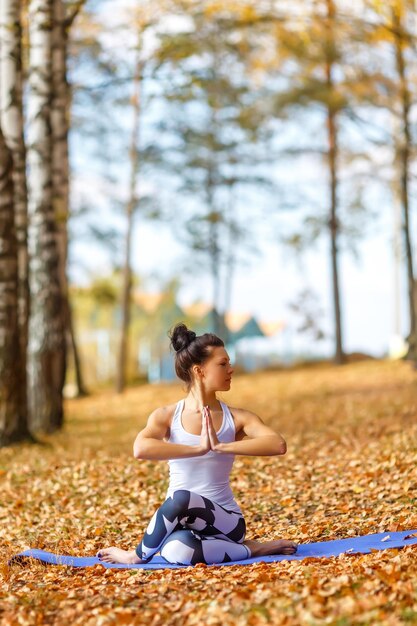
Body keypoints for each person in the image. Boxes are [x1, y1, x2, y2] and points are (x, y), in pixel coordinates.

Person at [97, 323, 297, 565]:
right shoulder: (167, 416)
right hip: (180, 524)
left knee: (182, 498)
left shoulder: (237, 418)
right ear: (199, 370)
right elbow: (140, 448)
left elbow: (277, 444)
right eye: (223, 364)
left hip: (227, 524)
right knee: (177, 551)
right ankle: (252, 549)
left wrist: (223, 446)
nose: (231, 369)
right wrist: (197, 449)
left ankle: (134, 556)